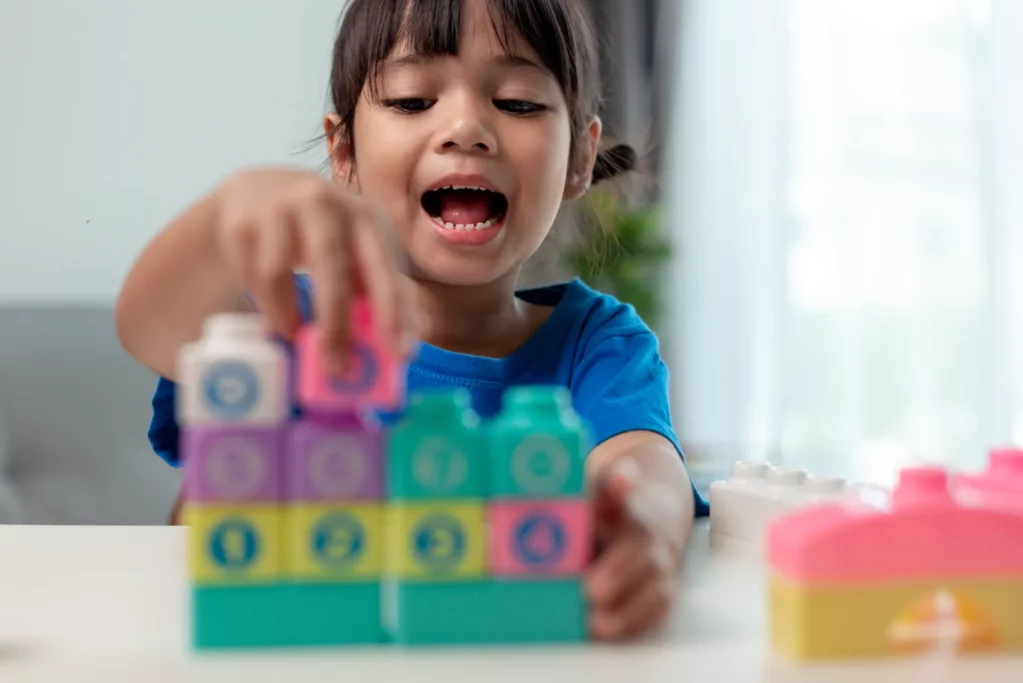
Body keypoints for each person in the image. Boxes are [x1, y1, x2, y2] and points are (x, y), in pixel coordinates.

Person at [115, 0, 708, 641]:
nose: (466, 127)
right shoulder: (287, 320)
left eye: (516, 102)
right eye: (409, 100)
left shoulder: (597, 342)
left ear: (580, 158)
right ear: (344, 152)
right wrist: (227, 214)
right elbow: (147, 324)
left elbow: (643, 464)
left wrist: (638, 525)